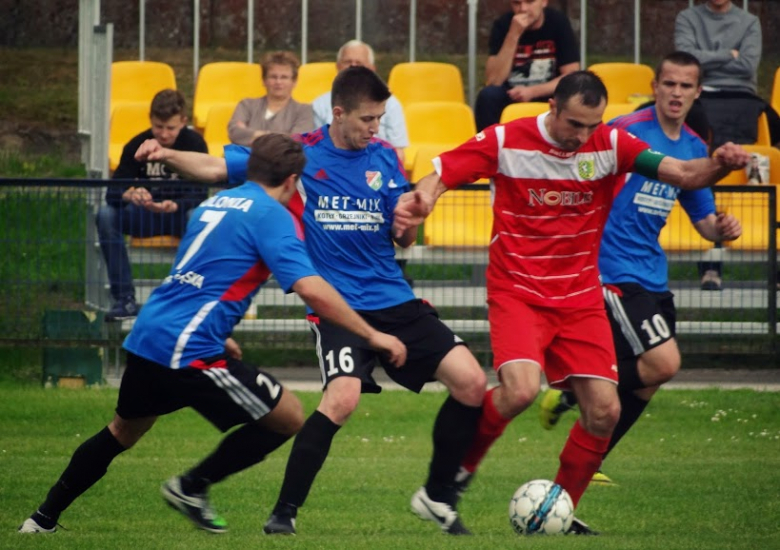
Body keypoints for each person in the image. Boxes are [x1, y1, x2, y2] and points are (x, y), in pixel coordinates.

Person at [124, 66, 488, 536]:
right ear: (338, 113)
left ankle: (436, 497)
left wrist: (412, 219)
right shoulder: (300, 154)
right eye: (367, 119)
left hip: (395, 299)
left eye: (380, 119)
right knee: (342, 399)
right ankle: (283, 514)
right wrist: (168, 154)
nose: (375, 128)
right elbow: (217, 167)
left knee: (472, 382)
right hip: (339, 305)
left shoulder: (385, 158)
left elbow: (404, 239)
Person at [393, 70, 750, 534]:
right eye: (575, 124)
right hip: (518, 290)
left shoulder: (610, 144)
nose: (583, 136)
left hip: (580, 297)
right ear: (553, 109)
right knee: (520, 390)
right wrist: (423, 199)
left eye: (592, 125)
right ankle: (455, 479)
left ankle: (556, 512)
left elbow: (683, 173)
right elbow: (439, 174)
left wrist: (720, 163)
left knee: (606, 411)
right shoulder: (506, 139)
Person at [18, 133, 406, 535]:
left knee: (123, 430)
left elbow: (198, 276)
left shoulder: (216, 203)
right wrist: (373, 336)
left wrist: (219, 335)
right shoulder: (272, 216)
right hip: (187, 349)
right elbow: (311, 287)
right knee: (288, 416)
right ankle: (191, 487)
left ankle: (41, 519)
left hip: (151, 332)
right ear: (292, 181)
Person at [538, 52, 743, 486]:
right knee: (664, 361)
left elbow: (705, 223)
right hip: (610, 269)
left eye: (686, 86)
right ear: (655, 86)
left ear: (697, 92)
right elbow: (580, 171)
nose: (676, 92)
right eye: (669, 83)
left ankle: (590, 458)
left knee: (647, 380)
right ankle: (573, 390)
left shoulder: (691, 147)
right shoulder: (626, 131)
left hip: (652, 274)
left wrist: (723, 227)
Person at [675, 0, 777, 290]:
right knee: (705, 162)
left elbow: (747, 65)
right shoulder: (687, 18)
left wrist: (705, 59)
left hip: (742, 97)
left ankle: (773, 261)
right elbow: (685, 62)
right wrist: (728, 54)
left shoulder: (749, 22)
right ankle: (710, 266)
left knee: (744, 159)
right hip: (701, 97)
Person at [98, 89, 208, 322]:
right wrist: (130, 194)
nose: (164, 134)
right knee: (106, 215)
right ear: (150, 120)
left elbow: (201, 192)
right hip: (145, 215)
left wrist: (175, 206)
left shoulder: (195, 143)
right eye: (159, 127)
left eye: (171, 128)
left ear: (184, 122)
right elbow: (113, 192)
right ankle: (124, 299)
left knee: (199, 216)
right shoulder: (137, 145)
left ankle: (191, 300)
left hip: (180, 216)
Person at [474, 0, 580, 132]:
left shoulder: (558, 22)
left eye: (529, 2)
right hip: (511, 92)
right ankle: (488, 146)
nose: (523, 9)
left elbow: (571, 76)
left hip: (548, 92)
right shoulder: (503, 24)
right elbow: (494, 80)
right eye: (516, 3)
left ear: (544, 2)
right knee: (488, 96)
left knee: (575, 93)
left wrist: (532, 91)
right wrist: (513, 34)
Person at [311, 39, 409, 165]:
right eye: (348, 62)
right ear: (337, 67)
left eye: (359, 62)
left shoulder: (391, 104)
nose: (353, 66)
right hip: (332, 168)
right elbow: (316, 147)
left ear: (372, 68)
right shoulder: (319, 104)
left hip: (376, 169)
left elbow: (398, 152)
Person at [228, 51, 314, 146]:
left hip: (283, 160)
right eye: (273, 77)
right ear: (264, 80)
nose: (278, 82)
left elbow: (297, 140)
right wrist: (283, 136)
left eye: (284, 77)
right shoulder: (247, 104)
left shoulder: (304, 110)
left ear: (294, 82)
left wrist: (253, 135)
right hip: (244, 158)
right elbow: (235, 132)